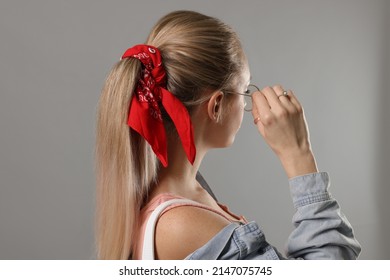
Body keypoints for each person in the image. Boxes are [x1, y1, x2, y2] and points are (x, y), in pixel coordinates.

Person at [95, 10, 361, 260]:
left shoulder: (187, 192)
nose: (248, 103)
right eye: (245, 90)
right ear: (217, 105)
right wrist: (298, 154)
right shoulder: (181, 224)